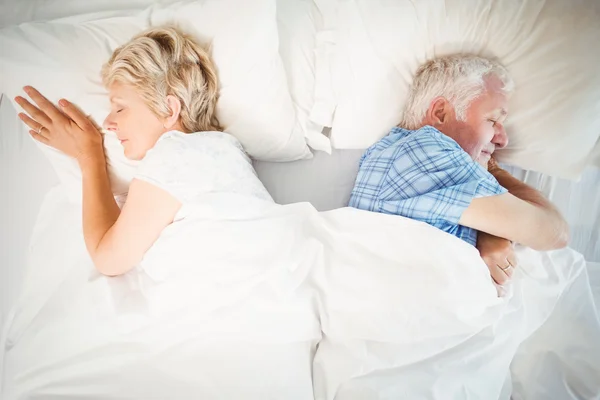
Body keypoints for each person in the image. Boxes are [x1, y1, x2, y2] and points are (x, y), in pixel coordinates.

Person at [15, 26, 272, 277]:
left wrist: (88, 155)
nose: (107, 124)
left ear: (170, 109)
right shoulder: (224, 148)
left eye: (120, 108)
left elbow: (107, 258)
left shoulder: (174, 156)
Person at [349, 54, 569, 285]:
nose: (503, 140)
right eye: (493, 120)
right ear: (440, 113)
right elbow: (554, 233)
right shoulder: (428, 151)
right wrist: (495, 171)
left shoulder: (389, 151)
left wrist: (491, 231)